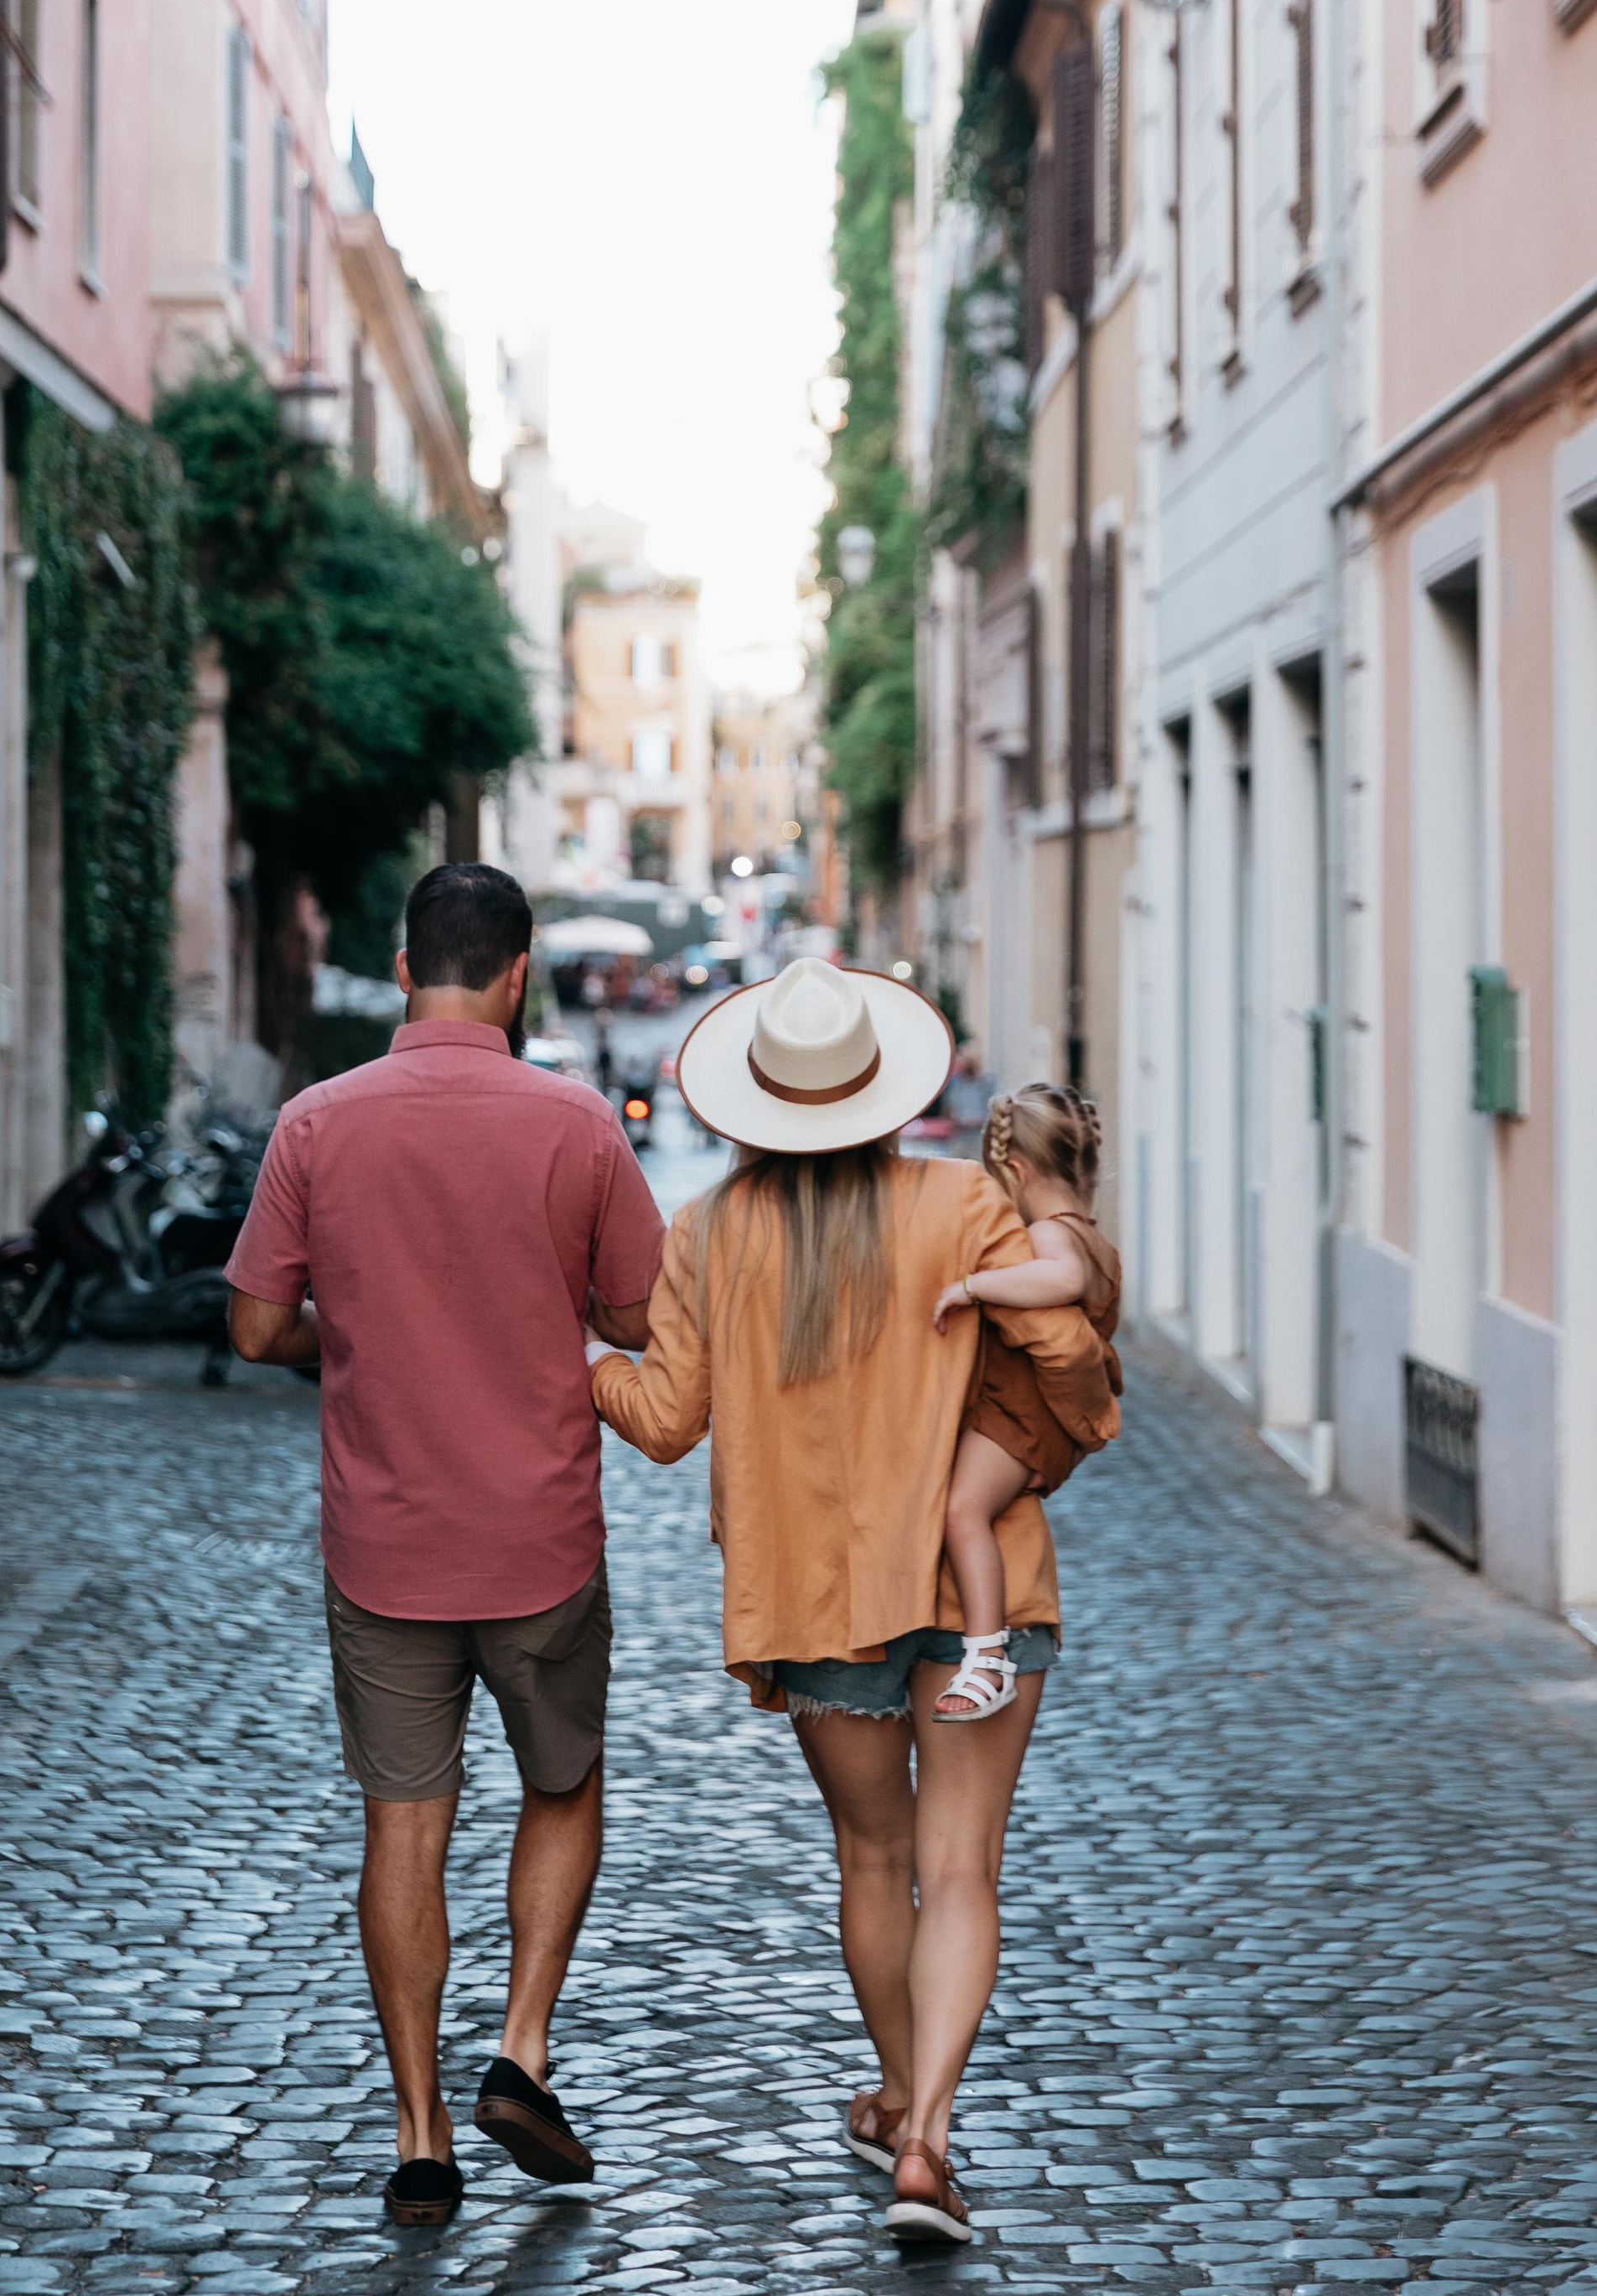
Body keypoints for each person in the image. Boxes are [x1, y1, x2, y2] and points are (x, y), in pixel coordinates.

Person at [589, 957, 1120, 2247]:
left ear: (755, 1100)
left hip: (821, 1598)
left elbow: (663, 1422)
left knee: (876, 1861)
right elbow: (1077, 1367)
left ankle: (897, 2095)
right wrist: (1027, 1453)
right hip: (981, 1581)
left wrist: (582, 1363)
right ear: (885, 1091)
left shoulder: (714, 1230)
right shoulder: (960, 1206)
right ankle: (926, 2138)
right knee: (963, 1871)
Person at [226, 861, 666, 2232]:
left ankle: (422, 2139)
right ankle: (521, 2050)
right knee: (565, 1787)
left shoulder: (316, 1122)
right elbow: (646, 1316)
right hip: (538, 1535)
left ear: (405, 969)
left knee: (401, 1830)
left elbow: (251, 1329)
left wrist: (347, 1341)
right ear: (521, 975)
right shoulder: (577, 1122)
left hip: (386, 1544)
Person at [928, 1085, 1122, 1722]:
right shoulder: (1094, 1237)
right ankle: (986, 1652)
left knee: (962, 1509)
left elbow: (1060, 1281)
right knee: (965, 1507)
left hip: (1019, 1417)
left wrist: (969, 1286)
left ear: (1014, 1169)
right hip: (1022, 1418)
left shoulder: (1052, 1234)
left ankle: (986, 1658)